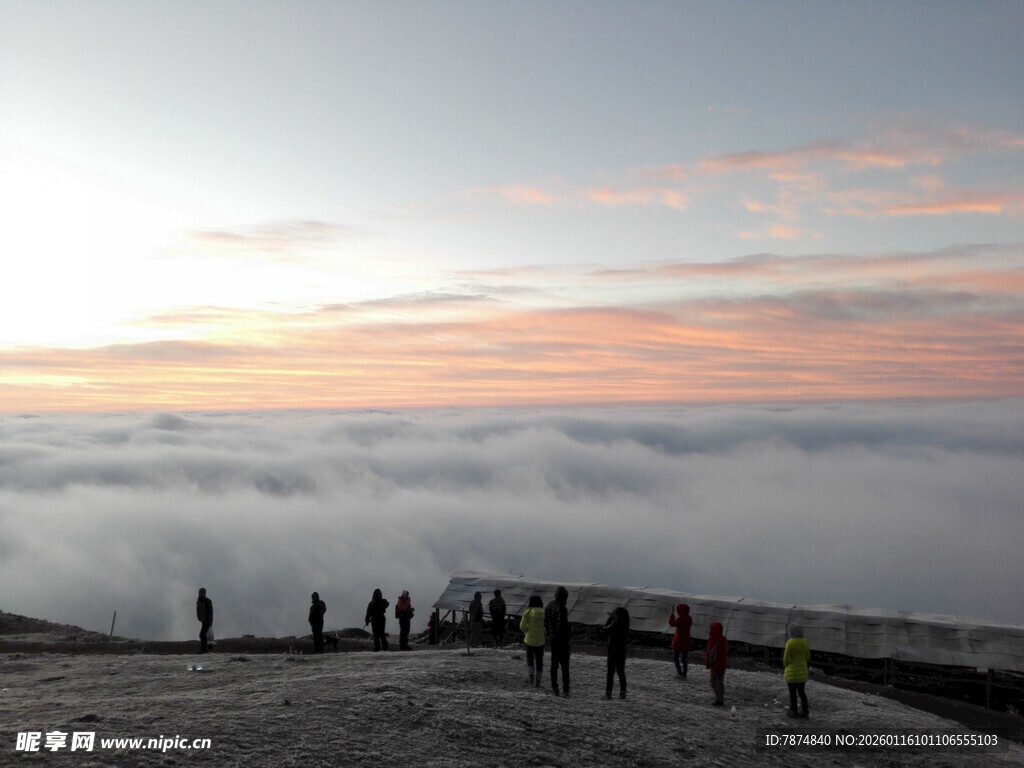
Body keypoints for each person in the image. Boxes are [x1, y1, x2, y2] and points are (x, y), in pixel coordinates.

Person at [545, 585, 572, 697]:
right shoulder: (562, 608)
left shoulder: (549, 605)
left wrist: (550, 634)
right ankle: (565, 690)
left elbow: (546, 622)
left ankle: (555, 689)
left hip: (553, 640)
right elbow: (562, 626)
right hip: (562, 641)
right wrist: (567, 639)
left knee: (554, 666)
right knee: (565, 667)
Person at [783, 624, 811, 718]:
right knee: (802, 692)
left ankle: (793, 711)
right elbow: (807, 657)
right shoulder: (805, 642)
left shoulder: (790, 643)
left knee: (792, 693)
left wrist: (787, 665)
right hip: (802, 671)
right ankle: (805, 712)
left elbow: (786, 658)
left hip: (792, 670)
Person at [519, 595, 545, 686]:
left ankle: (531, 679)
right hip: (540, 640)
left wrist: (527, 631)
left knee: (530, 659)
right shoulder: (544, 612)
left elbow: (522, 627)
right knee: (539, 660)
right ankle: (538, 681)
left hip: (529, 640)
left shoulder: (528, 612)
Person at [604, 606, 630, 699]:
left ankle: (608, 693)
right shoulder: (625, 625)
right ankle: (623, 692)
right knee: (621, 671)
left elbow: (605, 628)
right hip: (621, 649)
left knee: (610, 672)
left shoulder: (614, 625)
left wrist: (610, 618)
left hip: (613, 649)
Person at [705, 621, 728, 705]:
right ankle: (720, 699)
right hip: (722, 663)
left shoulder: (712, 639)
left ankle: (718, 699)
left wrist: (708, 663)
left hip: (715, 663)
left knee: (713, 681)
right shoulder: (723, 639)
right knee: (720, 681)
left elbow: (709, 652)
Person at [669, 603, 693, 678]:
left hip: (679, 641)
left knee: (676, 657)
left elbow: (672, 624)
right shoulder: (689, 618)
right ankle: (684, 673)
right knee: (684, 658)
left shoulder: (680, 619)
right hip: (686, 640)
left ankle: (679, 673)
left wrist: (672, 614)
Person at [196, 587, 213, 654]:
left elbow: (210, 613)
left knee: (202, 635)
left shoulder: (207, 601)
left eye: (203, 592)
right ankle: (204, 649)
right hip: (203, 620)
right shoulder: (199, 601)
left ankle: (204, 650)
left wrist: (210, 623)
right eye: (200, 592)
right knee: (203, 635)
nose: (201, 594)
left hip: (207, 620)